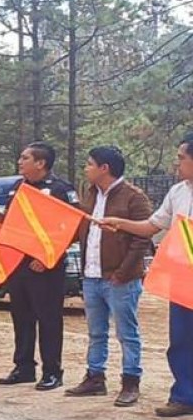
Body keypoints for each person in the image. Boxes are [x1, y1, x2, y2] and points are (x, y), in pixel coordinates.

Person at [101, 133, 193, 417]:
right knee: (182, 339)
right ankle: (184, 396)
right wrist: (121, 224)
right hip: (184, 281)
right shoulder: (178, 192)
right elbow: (152, 226)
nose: (176, 163)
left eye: (181, 158)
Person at [0, 141, 80, 391]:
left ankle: (52, 371)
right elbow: (15, 225)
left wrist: (48, 257)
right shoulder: (18, 187)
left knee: (48, 319)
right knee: (21, 317)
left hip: (46, 265)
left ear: (40, 163)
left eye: (25, 158)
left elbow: (72, 229)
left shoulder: (60, 189)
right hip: (19, 262)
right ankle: (24, 367)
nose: (19, 161)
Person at [65, 146, 152, 406]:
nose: (85, 168)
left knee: (127, 332)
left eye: (89, 164)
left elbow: (143, 239)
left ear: (105, 168)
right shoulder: (90, 195)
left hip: (120, 279)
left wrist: (123, 272)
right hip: (91, 275)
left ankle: (130, 381)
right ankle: (95, 377)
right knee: (96, 331)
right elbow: (79, 229)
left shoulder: (134, 197)